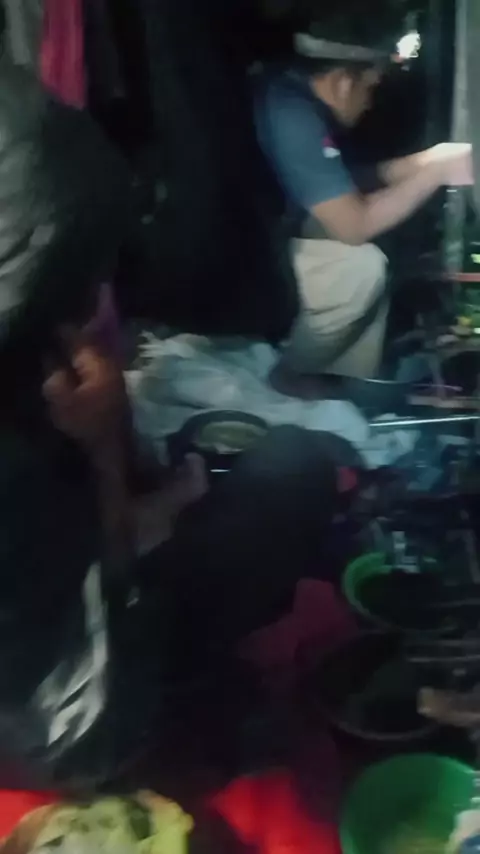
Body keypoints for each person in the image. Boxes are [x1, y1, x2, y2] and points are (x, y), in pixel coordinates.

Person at [0, 37, 359, 788]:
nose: (89, 300)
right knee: (295, 476)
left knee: (285, 464)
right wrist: (105, 449)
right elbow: (82, 729)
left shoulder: (24, 348)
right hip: (65, 725)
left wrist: (149, 495)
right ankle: (198, 697)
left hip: (68, 599)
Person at [254, 3, 473, 387]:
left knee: (378, 247)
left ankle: (344, 378)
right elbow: (352, 226)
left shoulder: (291, 90)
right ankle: (292, 375)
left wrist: (424, 161)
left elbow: (340, 182)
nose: (371, 101)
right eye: (370, 87)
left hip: (277, 220)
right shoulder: (293, 116)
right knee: (359, 267)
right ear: (343, 81)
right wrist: (436, 173)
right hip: (256, 243)